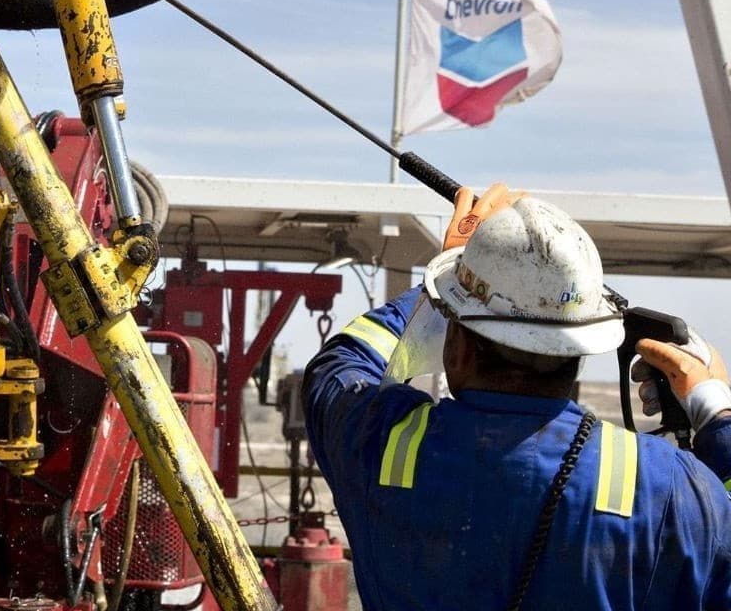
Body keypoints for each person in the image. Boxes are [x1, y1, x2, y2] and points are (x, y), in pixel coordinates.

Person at [304, 184, 731, 610]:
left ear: (459, 347)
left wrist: (443, 285)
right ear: (579, 351)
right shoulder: (668, 486)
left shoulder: (375, 444)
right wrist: (716, 413)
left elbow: (338, 364)